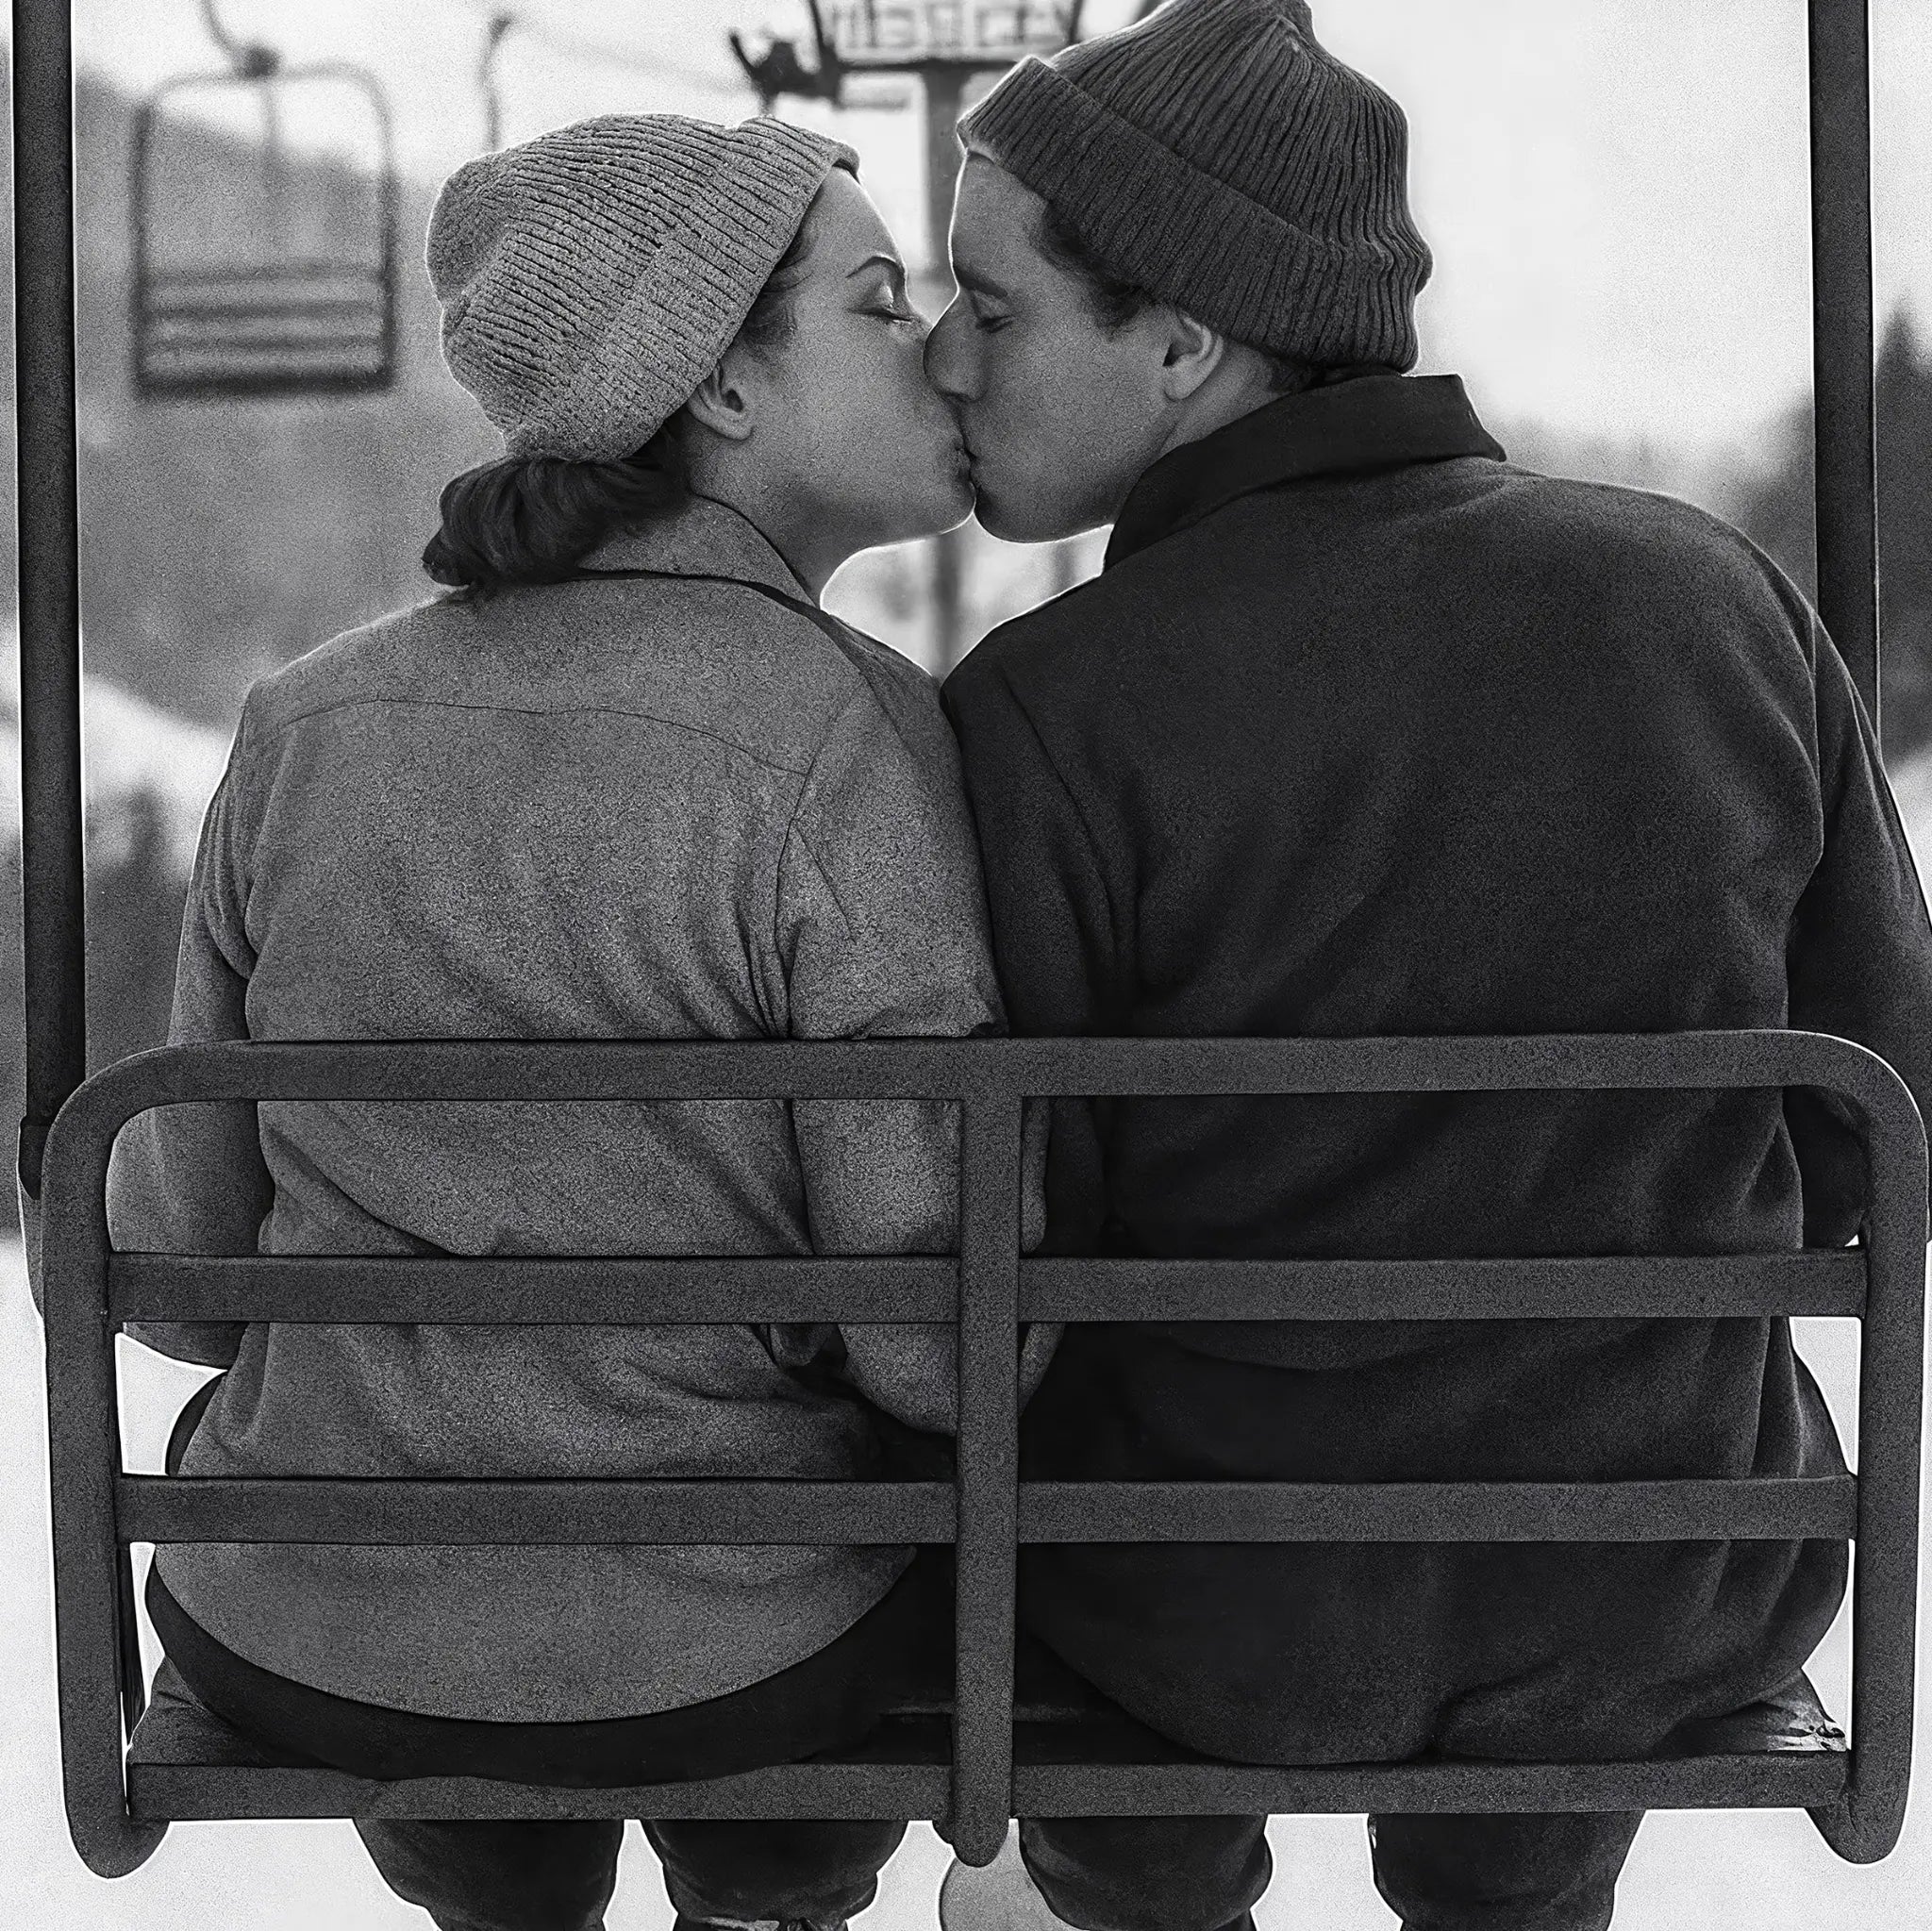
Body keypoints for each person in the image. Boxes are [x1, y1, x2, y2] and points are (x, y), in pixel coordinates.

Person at [927, 3, 1932, 1928]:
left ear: (1179, 340)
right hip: (1663, 1575)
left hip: (1197, 1605)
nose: (948, 360)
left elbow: (1011, 1243)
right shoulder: (1708, 598)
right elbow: (1879, 1123)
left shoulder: (1045, 712)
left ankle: (1131, 1884)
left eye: (994, 305)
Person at [91, 113, 1050, 1931]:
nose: (929, 342)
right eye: (875, 302)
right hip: (728, 1646)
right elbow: (940, 1346)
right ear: (726, 395)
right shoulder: (850, 741)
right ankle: (771, 1897)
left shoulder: (301, 726)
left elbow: (193, 1274)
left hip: (309, 1622)